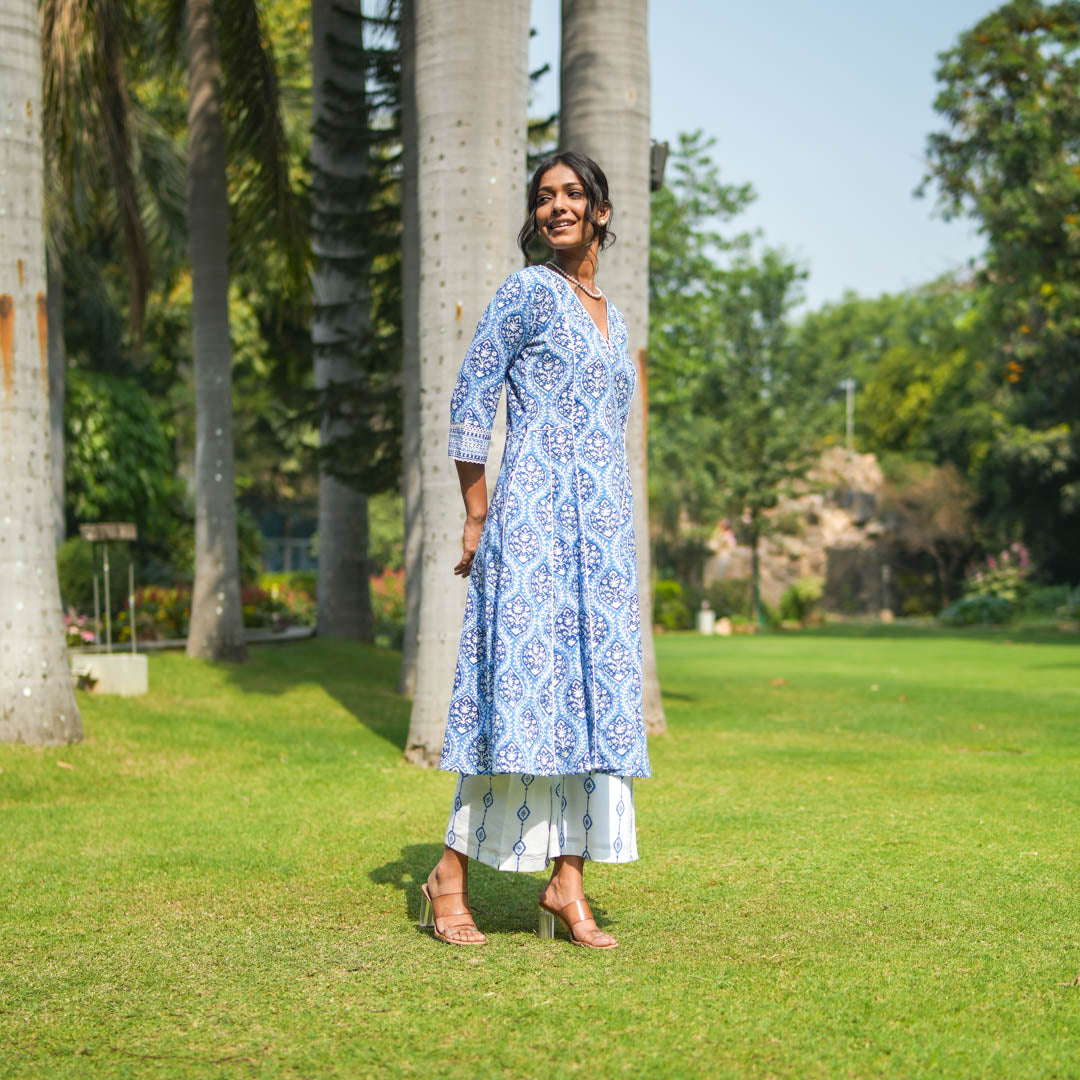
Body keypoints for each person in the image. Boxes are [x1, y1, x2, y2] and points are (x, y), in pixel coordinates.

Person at [419, 151, 650, 950]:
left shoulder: (613, 317)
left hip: (602, 540)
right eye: (545, 196)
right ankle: (449, 873)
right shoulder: (527, 292)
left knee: (590, 701)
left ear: (601, 211)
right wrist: (477, 514)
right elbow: (470, 397)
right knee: (516, 695)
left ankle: (567, 881)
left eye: (573, 194)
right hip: (535, 525)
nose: (558, 207)